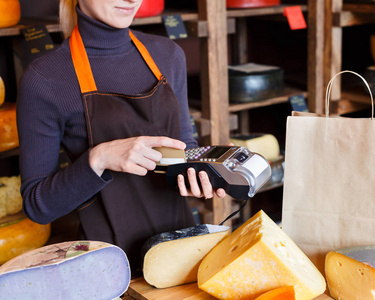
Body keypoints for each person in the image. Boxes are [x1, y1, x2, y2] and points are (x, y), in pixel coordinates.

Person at [16, 0, 226, 275]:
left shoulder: (168, 55)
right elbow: (37, 206)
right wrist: (99, 157)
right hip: (110, 267)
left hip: (181, 253)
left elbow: (184, 146)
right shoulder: (45, 79)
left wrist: (204, 172)